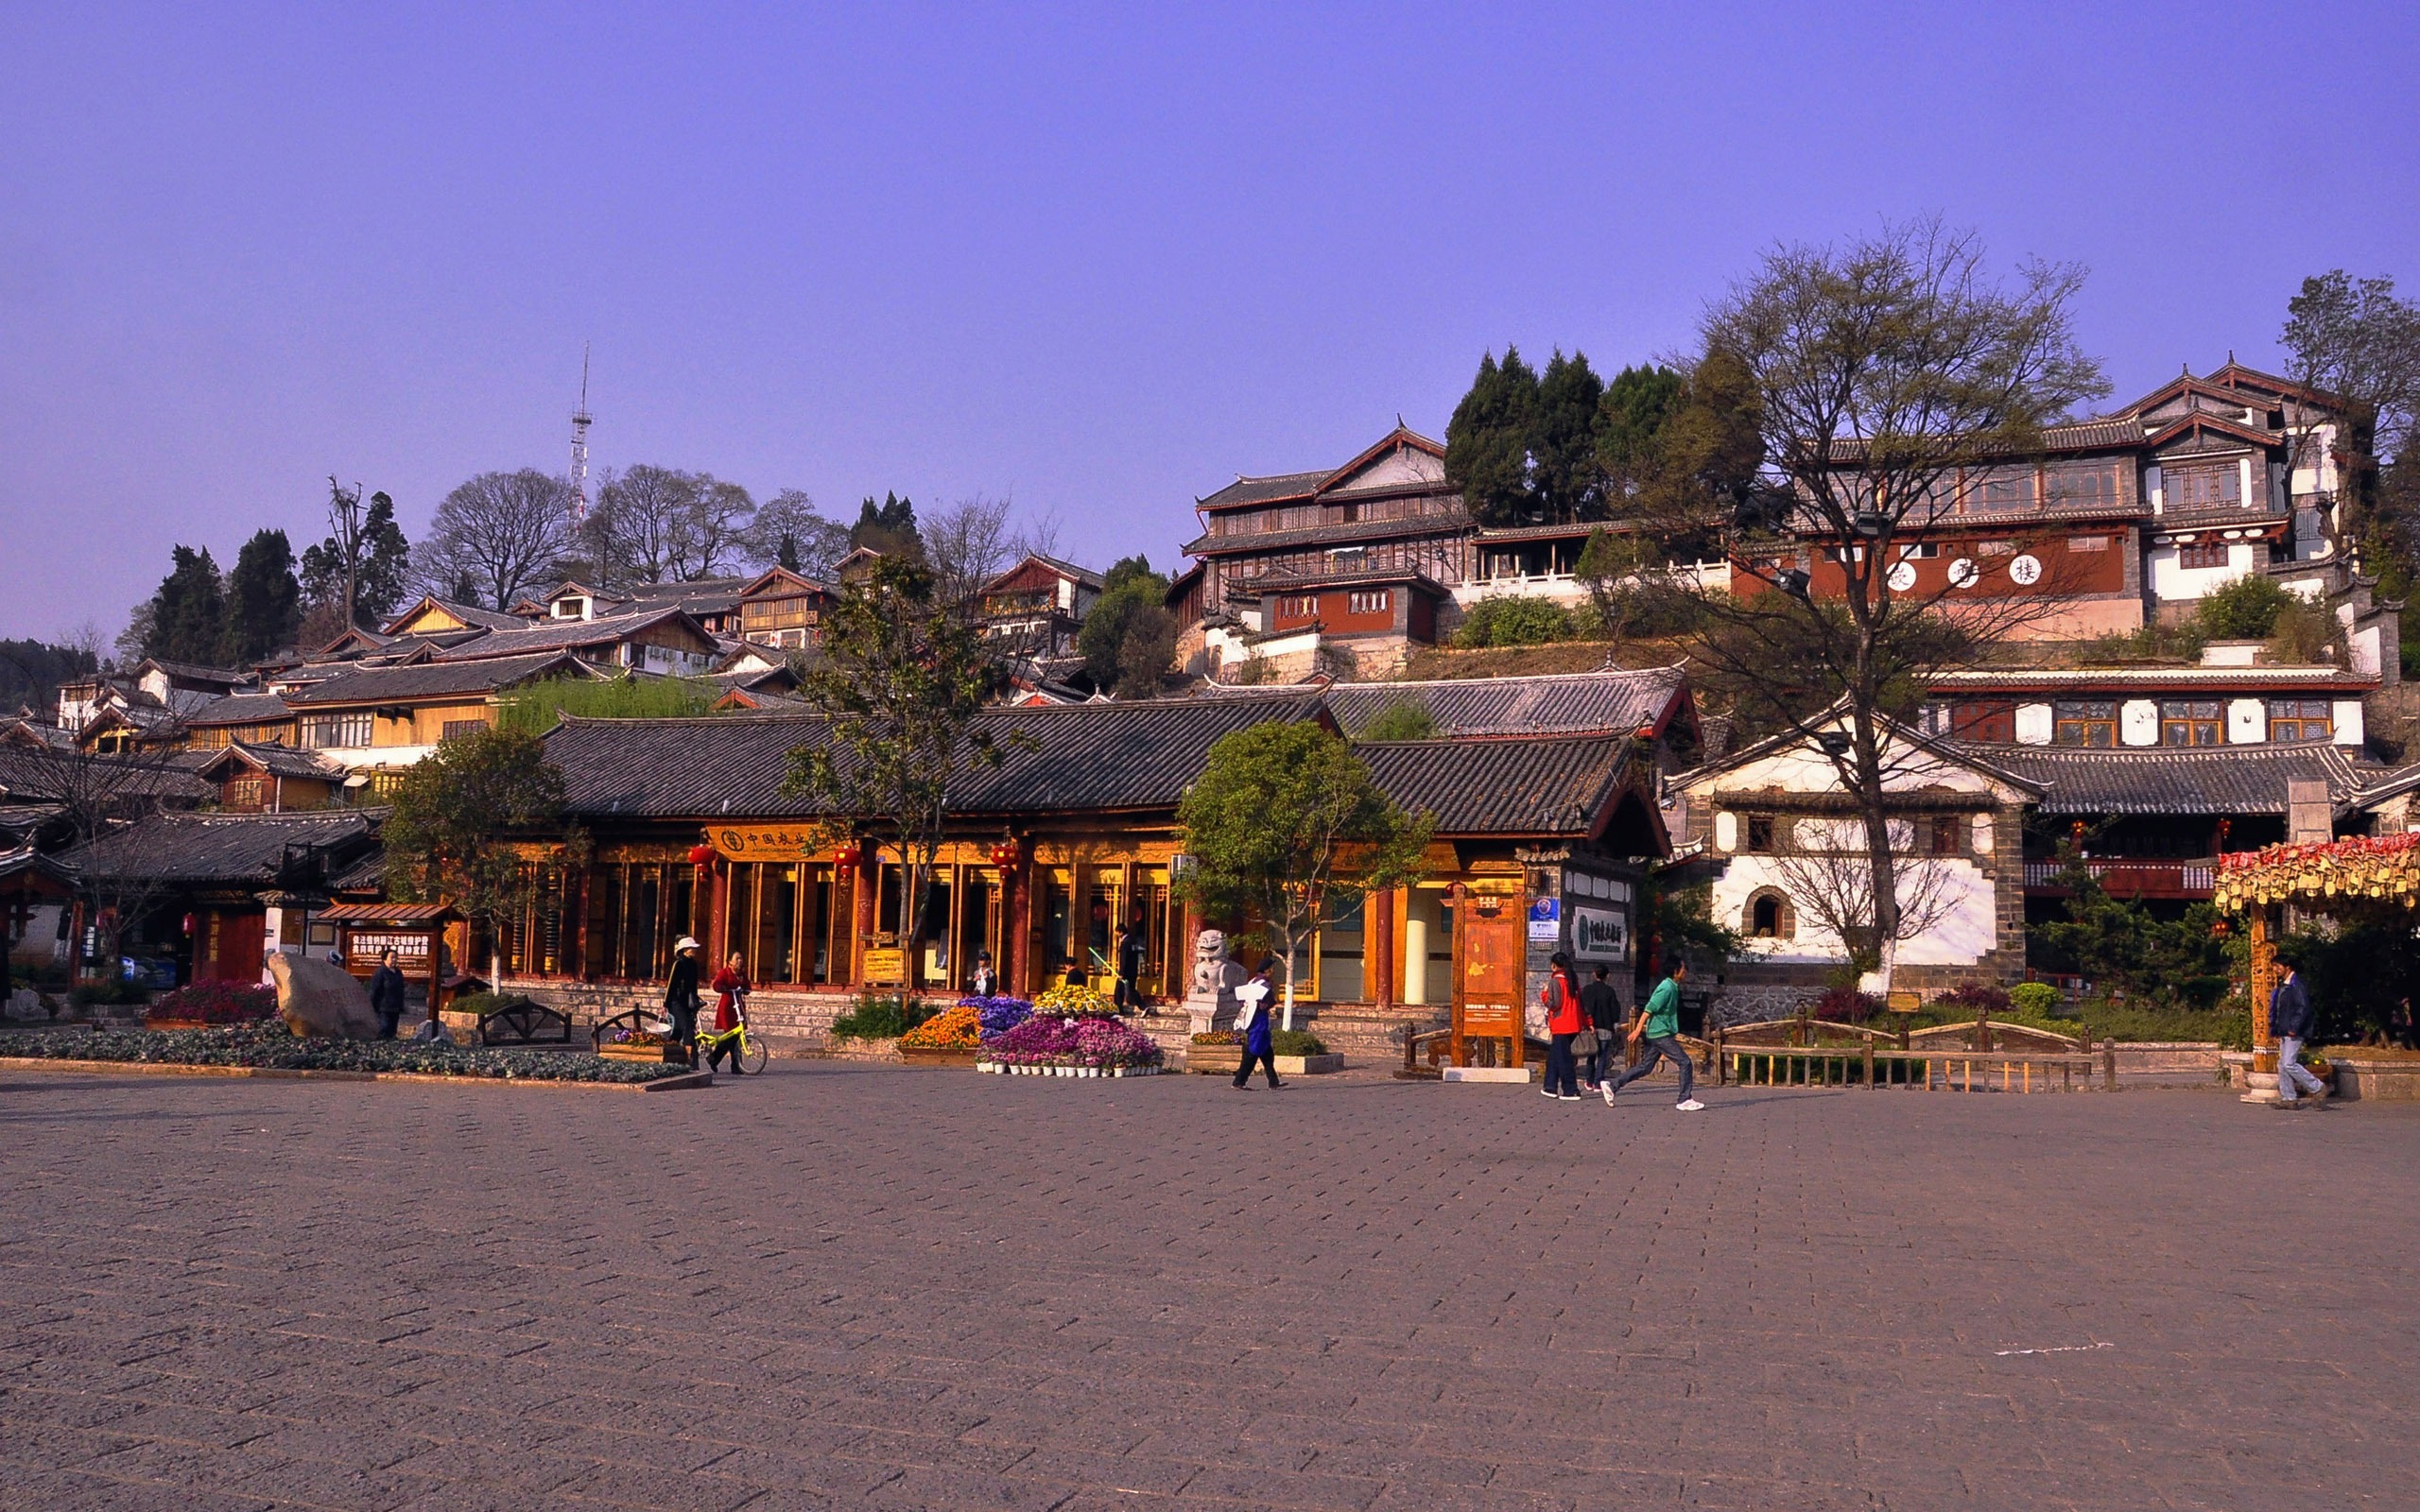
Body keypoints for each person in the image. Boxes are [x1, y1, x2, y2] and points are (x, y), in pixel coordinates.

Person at [1604, 958, 1704, 1111]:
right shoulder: (1667, 988)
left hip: (1660, 1032)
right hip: (1660, 1033)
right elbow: (1649, 1009)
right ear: (1676, 972)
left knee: (1646, 1067)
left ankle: (1613, 1085)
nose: (1685, 972)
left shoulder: (1672, 987)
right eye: (1683, 969)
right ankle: (1684, 1099)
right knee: (1685, 1062)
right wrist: (1637, 1030)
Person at [2269, 952, 2328, 1109]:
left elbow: (2303, 1007)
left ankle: (2317, 1087)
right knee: (2282, 1065)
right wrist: (2276, 1030)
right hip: (2284, 1030)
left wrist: (2294, 1027)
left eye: (2277, 966)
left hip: (2294, 1030)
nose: (2275, 969)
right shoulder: (2284, 985)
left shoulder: (2297, 984)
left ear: (2287, 967)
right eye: (2274, 966)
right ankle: (2289, 1098)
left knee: (2289, 1063)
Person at [1538, 950, 1586, 1101]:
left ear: (1554, 965)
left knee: (1564, 1058)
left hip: (1561, 1023)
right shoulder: (1571, 979)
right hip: (1573, 1022)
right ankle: (1550, 1086)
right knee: (1556, 1055)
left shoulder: (1555, 981)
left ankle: (1571, 1089)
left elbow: (1554, 1004)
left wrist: (1544, 994)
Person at [1231, 958, 1282, 1090]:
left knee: (1267, 1052)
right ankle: (1239, 1081)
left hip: (1251, 1017)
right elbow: (1268, 1002)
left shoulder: (1252, 982)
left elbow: (1242, 1000)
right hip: (1259, 1019)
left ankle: (1273, 1081)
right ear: (1267, 970)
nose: (1273, 971)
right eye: (1271, 968)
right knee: (1253, 1052)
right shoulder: (1265, 985)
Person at [706, 951, 751, 1074]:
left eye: (741, 958)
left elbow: (747, 986)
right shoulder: (724, 972)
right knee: (731, 1037)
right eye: (737, 959)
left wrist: (746, 990)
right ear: (730, 961)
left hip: (739, 1007)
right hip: (728, 1008)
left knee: (737, 1036)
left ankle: (715, 1059)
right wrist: (723, 988)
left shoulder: (742, 974)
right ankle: (735, 1065)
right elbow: (717, 984)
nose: (739, 961)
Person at [664, 936, 705, 1069]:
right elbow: (671, 985)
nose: (694, 950)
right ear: (685, 950)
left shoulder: (693, 965)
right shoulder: (679, 964)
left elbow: (693, 986)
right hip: (676, 1002)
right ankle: (690, 1062)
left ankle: (668, 1056)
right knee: (687, 1028)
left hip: (687, 1002)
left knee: (679, 1031)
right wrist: (665, 1004)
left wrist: (695, 1002)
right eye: (691, 948)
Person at [1579, 964, 1621, 1092]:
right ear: (1607, 976)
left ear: (1594, 974)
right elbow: (1615, 1010)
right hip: (1606, 1026)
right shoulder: (1609, 991)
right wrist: (1615, 1023)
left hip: (1591, 1027)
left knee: (1591, 1054)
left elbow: (1583, 1008)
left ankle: (1589, 1081)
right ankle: (1598, 1082)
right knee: (1603, 1056)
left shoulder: (1587, 990)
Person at [366, 947, 407, 1041]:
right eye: (392, 958)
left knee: (393, 1031)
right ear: (385, 958)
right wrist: (372, 1006)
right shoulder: (380, 972)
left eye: (396, 958)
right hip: (383, 1007)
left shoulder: (398, 972)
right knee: (384, 1028)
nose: (394, 960)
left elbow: (401, 989)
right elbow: (374, 990)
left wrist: (401, 1005)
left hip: (395, 1007)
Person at [1115, 920, 1148, 1013]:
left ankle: (1118, 1010)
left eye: (1117, 932)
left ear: (1120, 932)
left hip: (1126, 971)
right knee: (1132, 990)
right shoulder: (1133, 941)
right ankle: (1143, 1007)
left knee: (1119, 990)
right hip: (1133, 970)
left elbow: (1124, 959)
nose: (1117, 935)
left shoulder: (1125, 943)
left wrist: (1121, 972)